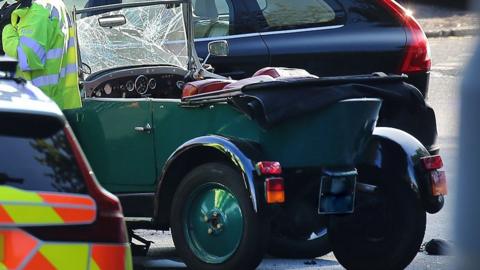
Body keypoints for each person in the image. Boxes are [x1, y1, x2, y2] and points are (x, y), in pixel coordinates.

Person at [2, 0, 81, 109]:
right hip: (57, 103)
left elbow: (27, 58)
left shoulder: (37, 9)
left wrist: (6, 28)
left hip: (35, 105)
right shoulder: (56, 4)